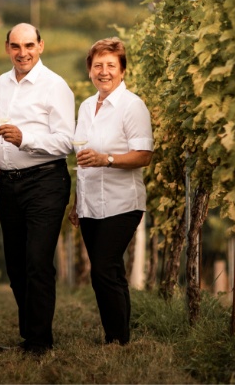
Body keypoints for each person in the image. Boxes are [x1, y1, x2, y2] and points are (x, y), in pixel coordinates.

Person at [0, 23, 74, 355]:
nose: (23, 53)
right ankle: (30, 335)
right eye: (16, 46)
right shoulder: (1, 83)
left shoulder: (55, 87)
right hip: (7, 185)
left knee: (36, 260)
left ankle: (39, 341)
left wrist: (26, 139)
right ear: (7, 47)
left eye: (29, 45)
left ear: (41, 46)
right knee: (16, 264)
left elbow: (67, 141)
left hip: (45, 182)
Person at [68, 37, 153, 346]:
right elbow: (82, 156)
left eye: (111, 66)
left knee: (103, 268)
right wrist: (76, 200)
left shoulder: (133, 106)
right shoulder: (87, 106)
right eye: (98, 65)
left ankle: (116, 337)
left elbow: (143, 154)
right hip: (91, 203)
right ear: (90, 70)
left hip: (122, 202)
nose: (104, 72)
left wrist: (108, 159)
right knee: (111, 270)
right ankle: (119, 337)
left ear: (122, 70)